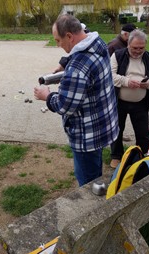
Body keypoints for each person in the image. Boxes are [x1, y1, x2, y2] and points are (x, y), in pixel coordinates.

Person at [34, 14, 119, 186]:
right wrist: (64, 69)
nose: (58, 45)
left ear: (70, 36)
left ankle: (95, 209)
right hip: (102, 124)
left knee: (88, 183)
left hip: (87, 135)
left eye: (58, 40)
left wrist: (47, 95)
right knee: (95, 171)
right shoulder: (98, 42)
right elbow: (83, 39)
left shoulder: (77, 68)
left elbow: (65, 105)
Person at [110, 29, 149, 168]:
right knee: (117, 129)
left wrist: (148, 83)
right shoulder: (117, 55)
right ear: (128, 44)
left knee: (142, 132)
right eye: (134, 48)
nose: (138, 51)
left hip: (141, 102)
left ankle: (140, 155)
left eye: (141, 48)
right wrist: (127, 82)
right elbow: (110, 75)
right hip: (119, 101)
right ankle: (116, 156)